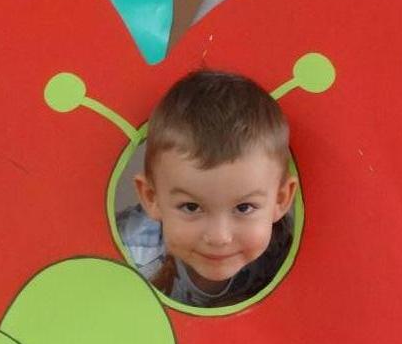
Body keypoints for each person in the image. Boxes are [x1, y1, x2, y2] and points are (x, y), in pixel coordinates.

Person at [116, 70, 298, 308]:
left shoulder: (283, 253)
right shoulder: (128, 253)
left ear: (281, 199)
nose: (219, 237)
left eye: (244, 207)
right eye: (191, 207)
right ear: (152, 197)